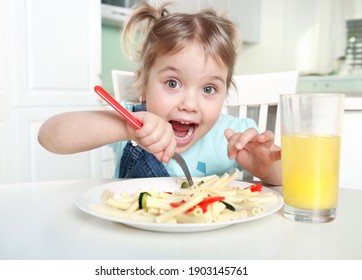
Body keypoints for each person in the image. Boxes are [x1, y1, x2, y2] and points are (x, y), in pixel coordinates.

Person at [38, 1, 282, 185]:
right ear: (143, 85)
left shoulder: (233, 137)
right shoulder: (130, 124)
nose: (189, 104)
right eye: (173, 83)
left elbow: (286, 179)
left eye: (209, 89)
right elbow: (49, 136)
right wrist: (126, 128)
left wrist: (265, 168)